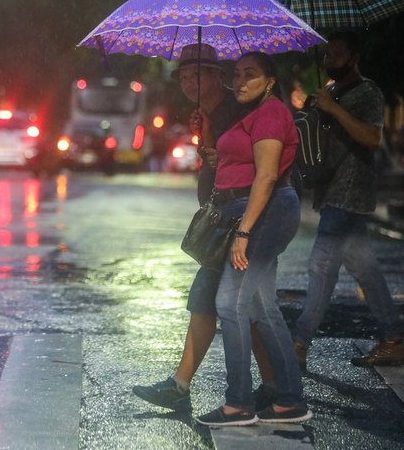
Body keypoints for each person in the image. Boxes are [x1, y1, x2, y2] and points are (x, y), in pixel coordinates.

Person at [132, 43, 277, 412]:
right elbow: (216, 161)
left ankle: (206, 390)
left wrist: (244, 227)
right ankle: (276, 385)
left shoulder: (238, 107)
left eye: (196, 75)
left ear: (216, 75)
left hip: (240, 217)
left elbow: (249, 164)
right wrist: (206, 137)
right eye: (182, 76)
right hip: (225, 214)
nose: (188, 82)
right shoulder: (209, 111)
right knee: (244, 304)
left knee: (221, 300)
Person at [194, 51, 311, 426]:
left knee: (230, 302)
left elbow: (265, 177)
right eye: (237, 74)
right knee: (261, 306)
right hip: (250, 212)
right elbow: (231, 163)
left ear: (270, 80)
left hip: (266, 212)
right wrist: (209, 136)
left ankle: (239, 403)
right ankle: (289, 399)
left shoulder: (272, 113)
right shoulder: (248, 114)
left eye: (251, 74)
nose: (240, 81)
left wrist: (244, 231)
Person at [292, 31, 404, 369]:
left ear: (354, 58)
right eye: (327, 54)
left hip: (350, 191)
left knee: (321, 268)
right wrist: (317, 108)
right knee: (365, 270)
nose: (329, 60)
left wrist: (334, 110)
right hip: (331, 191)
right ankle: (393, 338)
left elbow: (371, 137)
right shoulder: (329, 91)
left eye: (337, 54)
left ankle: (298, 345)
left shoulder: (368, 92)